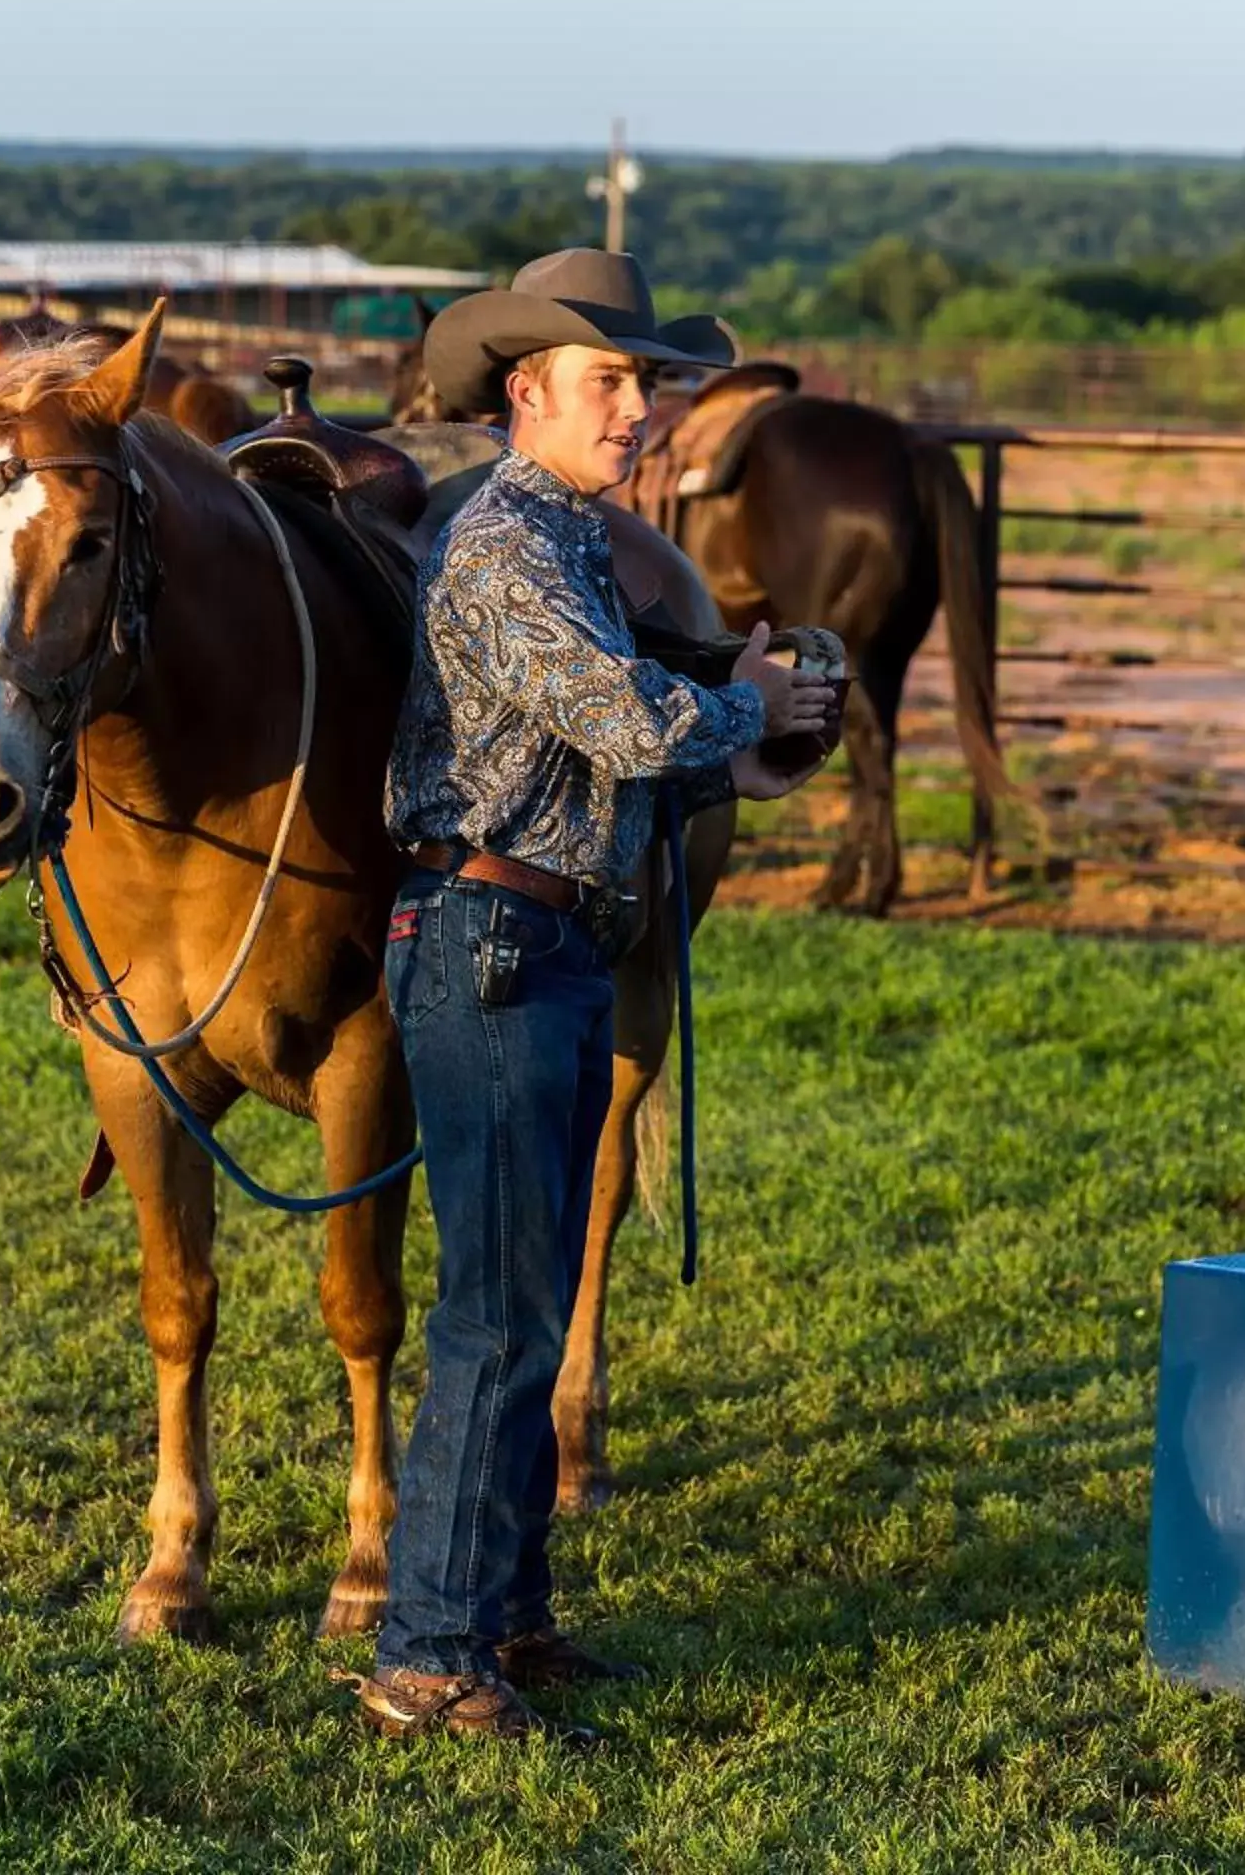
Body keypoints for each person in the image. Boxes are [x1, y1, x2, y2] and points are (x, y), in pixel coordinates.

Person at [343, 250, 839, 1742]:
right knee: (497, 1320)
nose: (640, 410)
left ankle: (502, 1619)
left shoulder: (567, 540)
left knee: (532, 1309)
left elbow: (604, 739)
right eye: (609, 383)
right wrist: (751, 707)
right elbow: (619, 717)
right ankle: (426, 1652)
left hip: (541, 945)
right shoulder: (501, 545)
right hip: (494, 946)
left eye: (647, 384)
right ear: (526, 393)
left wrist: (729, 738)